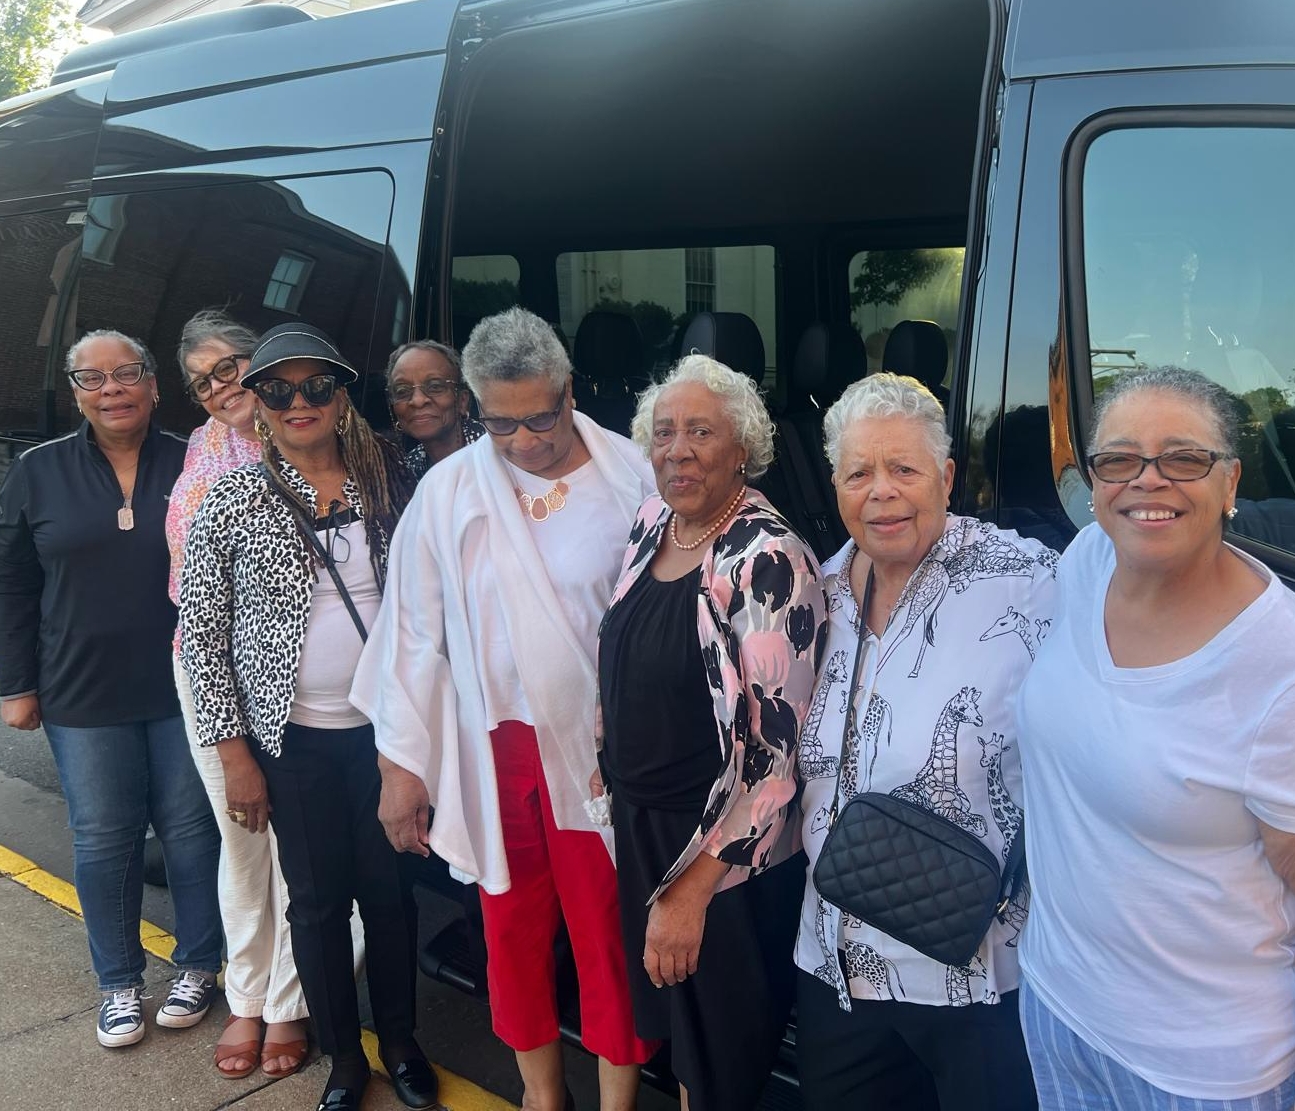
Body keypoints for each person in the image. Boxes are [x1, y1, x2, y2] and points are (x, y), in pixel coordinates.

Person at [351, 307, 658, 1111]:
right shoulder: (449, 491)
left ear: (568, 390)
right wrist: (400, 767)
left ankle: (617, 1102)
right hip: (499, 752)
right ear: (474, 409)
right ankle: (541, 1096)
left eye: (540, 418)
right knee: (512, 934)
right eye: (499, 423)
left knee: (608, 937)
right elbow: (411, 635)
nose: (523, 441)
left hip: (606, 754)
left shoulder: (634, 474)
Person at [1016, 366, 1295, 1109]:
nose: (1148, 481)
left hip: (1202, 1069)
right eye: (1119, 459)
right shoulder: (1084, 564)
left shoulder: (1278, 662)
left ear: (1230, 482)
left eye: (1183, 457)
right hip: (1059, 1008)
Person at [180, 323, 434, 1111]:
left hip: (388, 737)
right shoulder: (230, 497)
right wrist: (234, 755)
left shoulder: (391, 478)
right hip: (289, 743)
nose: (299, 402)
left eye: (316, 386)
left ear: (340, 393)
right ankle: (344, 1059)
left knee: (391, 896)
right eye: (278, 389)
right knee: (317, 902)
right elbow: (203, 636)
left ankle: (398, 1039)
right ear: (255, 401)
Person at [793, 372, 1055, 1110]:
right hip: (836, 961)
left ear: (945, 476)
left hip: (976, 973)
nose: (881, 491)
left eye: (903, 469)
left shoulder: (1028, 581)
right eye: (858, 472)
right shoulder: (820, 589)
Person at [594, 354, 826, 1109]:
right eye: (664, 432)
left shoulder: (767, 558)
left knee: (720, 1059)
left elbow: (773, 760)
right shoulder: (650, 523)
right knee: (682, 1045)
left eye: (701, 431)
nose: (678, 449)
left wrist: (693, 889)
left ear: (741, 449)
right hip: (645, 826)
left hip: (723, 854)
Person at [0, 330, 222, 1048]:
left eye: (127, 373)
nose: (112, 389)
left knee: (193, 833)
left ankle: (197, 964)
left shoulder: (197, 459)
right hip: (79, 689)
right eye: (92, 379)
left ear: (155, 385)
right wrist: (15, 685)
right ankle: (120, 982)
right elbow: (12, 583)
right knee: (103, 838)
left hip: (183, 683)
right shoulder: (37, 471)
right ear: (74, 393)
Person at [167, 309, 339, 1080]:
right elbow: (195, 604)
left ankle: (288, 1001)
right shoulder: (203, 456)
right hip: (207, 667)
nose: (222, 386)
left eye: (231, 365)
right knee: (243, 840)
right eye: (203, 378)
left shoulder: (317, 440)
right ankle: (246, 994)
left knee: (304, 854)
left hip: (303, 681)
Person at [386, 339, 483, 477]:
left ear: (462, 401)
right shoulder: (408, 472)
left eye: (435, 387)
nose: (418, 401)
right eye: (402, 391)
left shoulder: (499, 453)